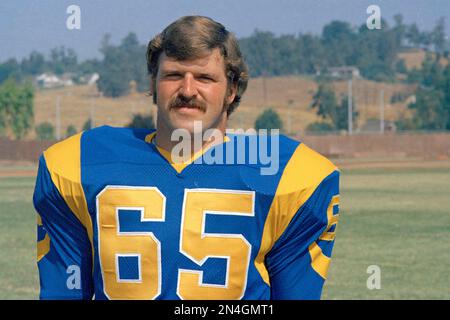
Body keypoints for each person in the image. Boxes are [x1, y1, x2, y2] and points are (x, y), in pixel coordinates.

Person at [34, 15, 340, 300]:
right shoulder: (79, 164)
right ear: (153, 82)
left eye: (204, 77)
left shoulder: (290, 175)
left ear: (231, 89)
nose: (188, 89)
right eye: (173, 75)